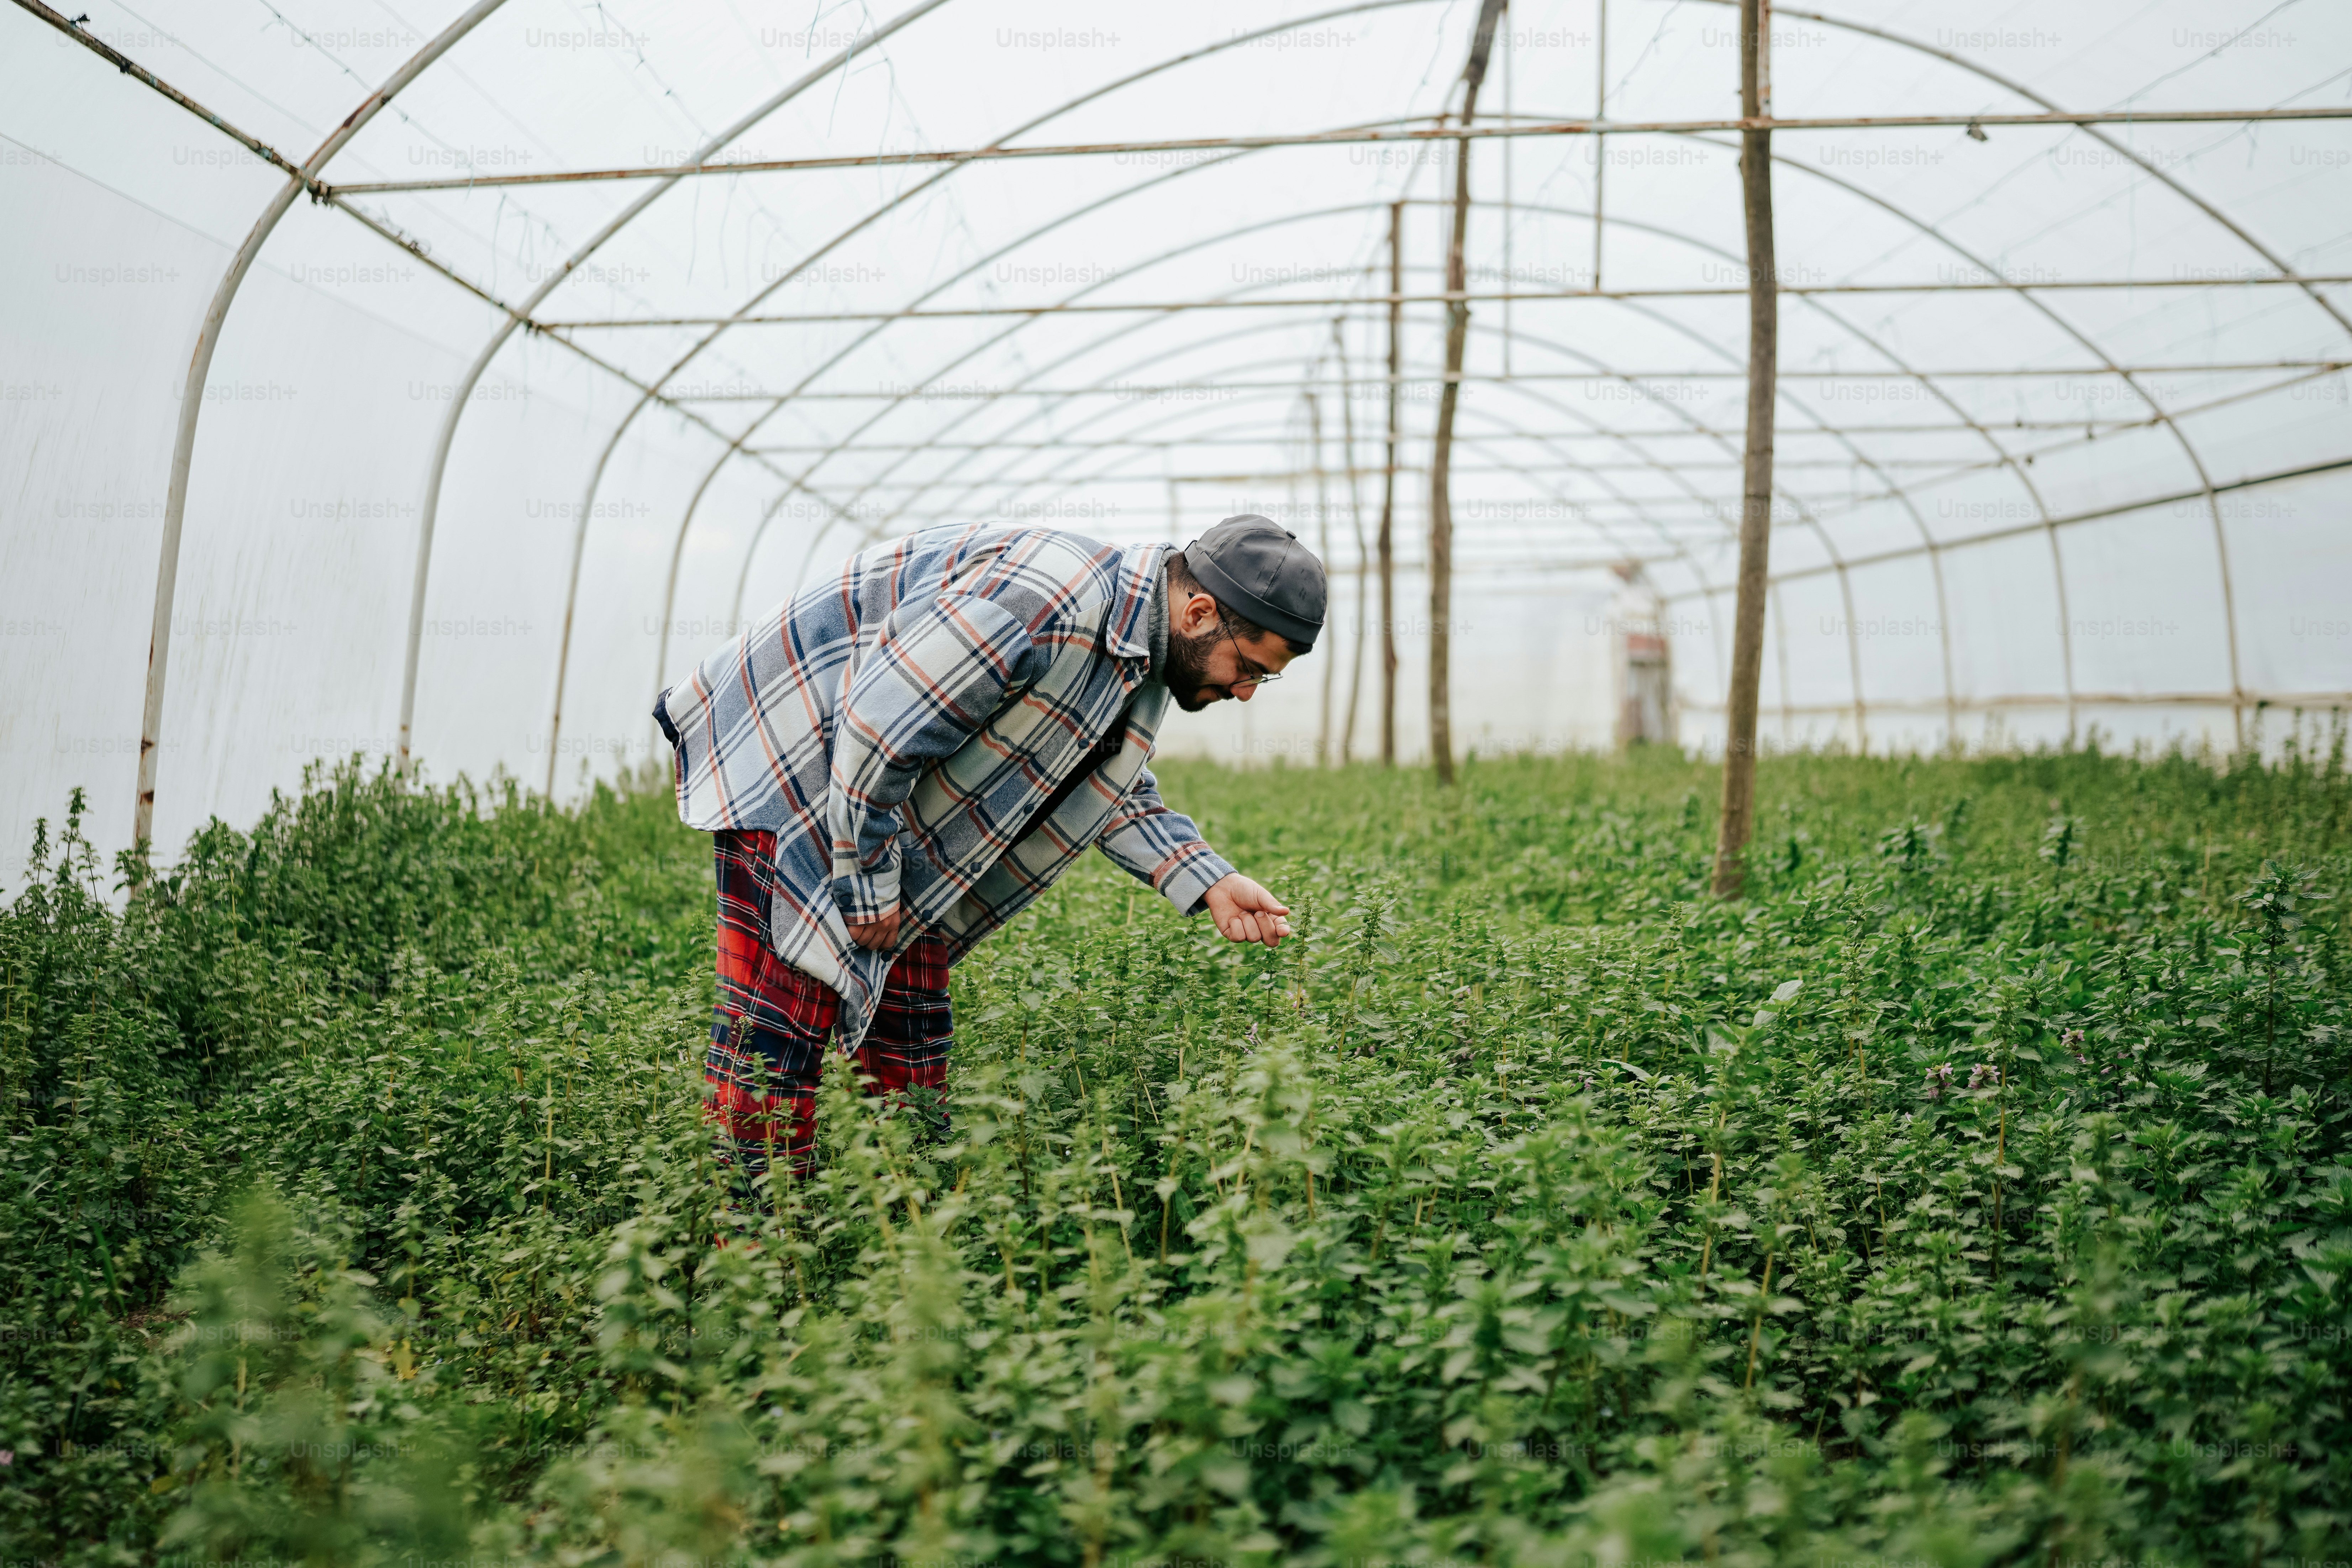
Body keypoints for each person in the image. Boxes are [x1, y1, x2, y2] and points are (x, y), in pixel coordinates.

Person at [653, 514, 1325, 1188]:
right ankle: (751, 1254)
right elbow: (879, 729)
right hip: (797, 760)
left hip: (880, 794)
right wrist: (866, 886)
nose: (1243, 692)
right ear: (1199, 611)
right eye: (1248, 669)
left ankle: (909, 1217)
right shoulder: (1048, 604)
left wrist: (1206, 879)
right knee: (778, 1032)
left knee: (910, 1026)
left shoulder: (1140, 649)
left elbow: (1096, 778)